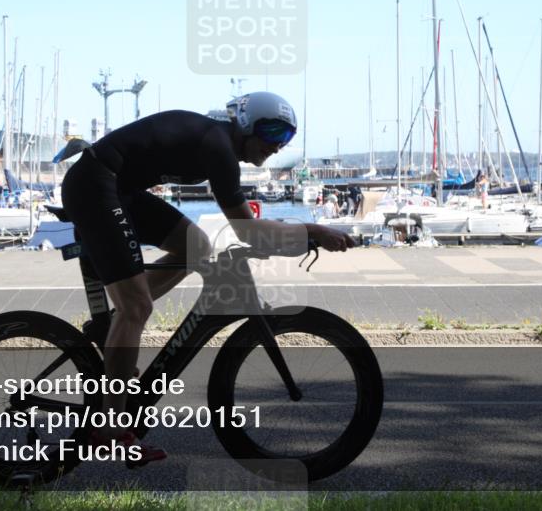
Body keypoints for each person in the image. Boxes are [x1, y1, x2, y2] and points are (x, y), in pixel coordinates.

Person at [61, 92, 354, 466]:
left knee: (197, 248)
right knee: (137, 306)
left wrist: (297, 236)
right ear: (246, 125)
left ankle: (120, 324)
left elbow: (246, 230)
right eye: (271, 132)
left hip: (118, 188)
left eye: (285, 139)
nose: (276, 145)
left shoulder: (218, 145)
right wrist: (313, 230)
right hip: (95, 186)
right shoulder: (218, 148)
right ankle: (110, 430)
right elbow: (248, 231)